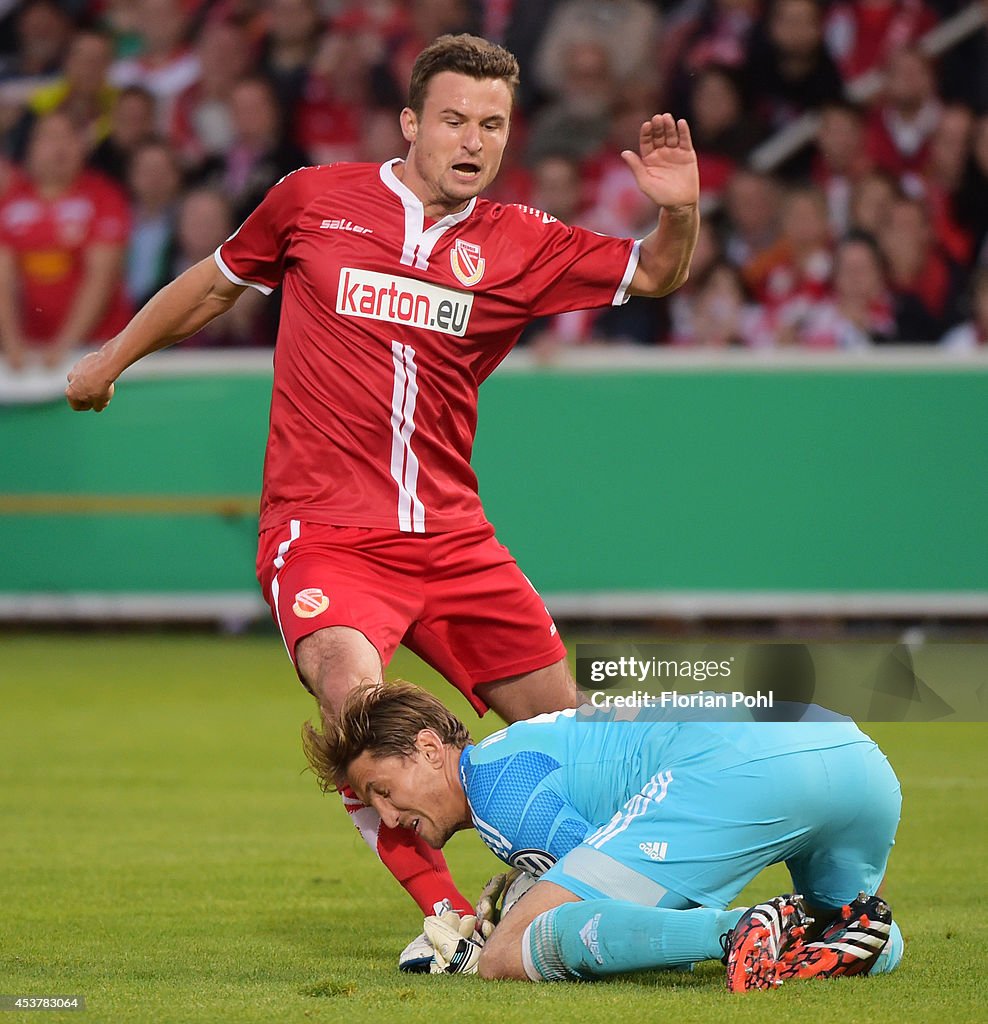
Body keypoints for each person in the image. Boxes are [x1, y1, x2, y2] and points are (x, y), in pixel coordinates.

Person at [64, 32, 699, 957]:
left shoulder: (522, 242)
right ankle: (443, 920)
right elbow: (215, 283)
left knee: (576, 739)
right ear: (410, 124)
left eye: (492, 124)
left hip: (453, 538)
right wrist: (109, 358)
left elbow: (653, 271)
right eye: (453, 120)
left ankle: (562, 881)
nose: (473, 140)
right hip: (324, 534)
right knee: (361, 713)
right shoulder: (313, 200)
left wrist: (677, 214)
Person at [307, 680, 904, 989]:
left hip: (743, 764)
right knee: (855, 928)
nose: (386, 817)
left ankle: (738, 932)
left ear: (430, 750)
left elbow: (606, 910)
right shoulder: (518, 751)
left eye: (383, 789)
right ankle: (820, 936)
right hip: (851, 753)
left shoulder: (493, 790)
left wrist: (495, 933)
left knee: (507, 954)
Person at [0, 112, 131, 371]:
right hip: (30, 353)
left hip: (99, 349)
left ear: (82, 146)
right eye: (49, 137)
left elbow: (100, 278)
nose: (59, 146)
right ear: (31, 148)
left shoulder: (105, 197)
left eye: (68, 137)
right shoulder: (10, 201)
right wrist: (11, 343)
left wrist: (65, 344)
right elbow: (2, 279)